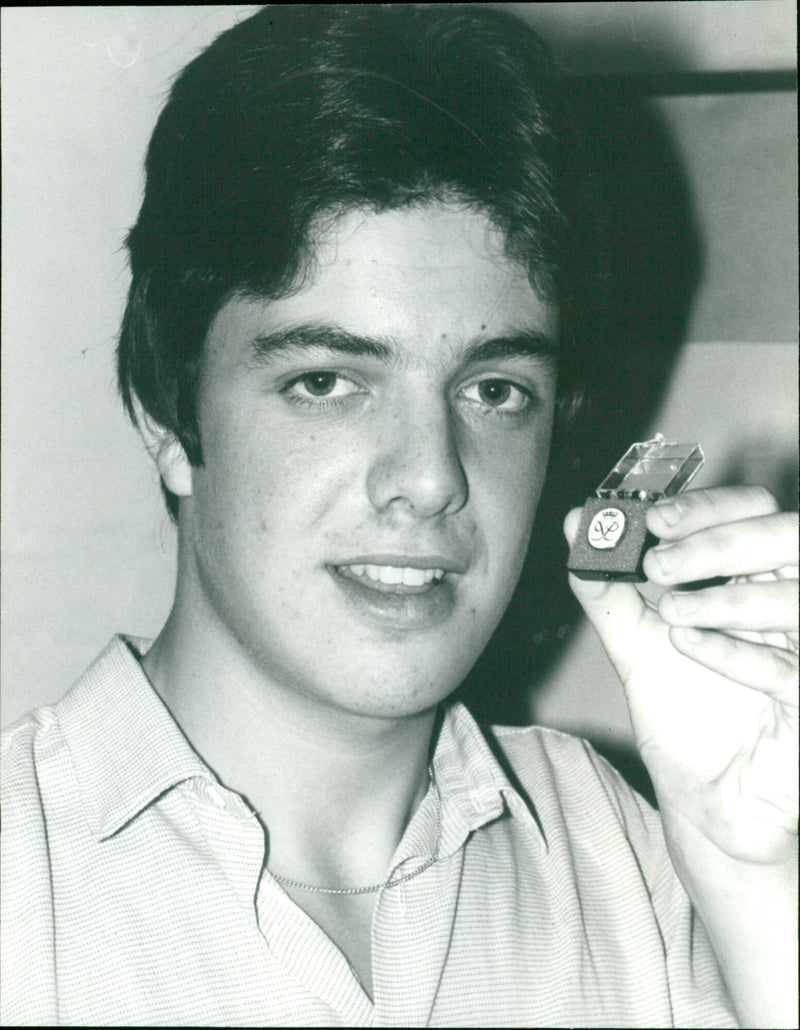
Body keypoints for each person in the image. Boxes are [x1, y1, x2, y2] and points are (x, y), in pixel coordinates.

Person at [2, 6, 796, 1026]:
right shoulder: (23, 888)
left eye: (494, 390)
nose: (429, 478)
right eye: (327, 381)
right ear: (168, 410)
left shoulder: (629, 851)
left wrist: (750, 874)